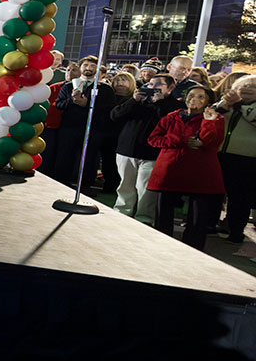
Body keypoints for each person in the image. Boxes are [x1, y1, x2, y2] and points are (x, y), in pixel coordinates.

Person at [147, 86, 226, 251]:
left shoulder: (215, 118)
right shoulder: (172, 117)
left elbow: (211, 141)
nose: (194, 98)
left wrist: (209, 122)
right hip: (170, 169)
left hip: (200, 171)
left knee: (198, 216)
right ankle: (161, 244)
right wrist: (180, 140)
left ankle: (193, 249)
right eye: (191, 95)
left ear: (208, 102)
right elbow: (153, 139)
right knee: (163, 212)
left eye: (200, 96)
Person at [111, 74, 181, 223]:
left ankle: (144, 219)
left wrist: (160, 103)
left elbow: (170, 122)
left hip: (152, 154)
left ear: (170, 88)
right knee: (125, 185)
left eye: (158, 85)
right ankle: (122, 213)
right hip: (126, 150)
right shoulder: (137, 100)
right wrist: (134, 100)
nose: (152, 88)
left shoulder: (175, 106)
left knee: (146, 189)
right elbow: (115, 115)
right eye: (150, 84)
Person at [53, 55, 115, 188]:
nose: (89, 68)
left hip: (93, 130)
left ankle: (85, 187)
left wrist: (87, 104)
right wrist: (72, 100)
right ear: (80, 67)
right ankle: (60, 184)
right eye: (86, 65)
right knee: (65, 157)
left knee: (89, 159)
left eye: (93, 66)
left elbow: (109, 109)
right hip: (69, 128)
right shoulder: (69, 86)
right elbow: (59, 105)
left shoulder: (105, 89)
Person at [214, 74, 256, 242]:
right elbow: (210, 115)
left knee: (240, 197)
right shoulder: (228, 105)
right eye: (241, 87)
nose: (245, 90)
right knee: (216, 193)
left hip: (247, 159)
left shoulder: (246, 106)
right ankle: (213, 223)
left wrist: (239, 104)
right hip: (220, 154)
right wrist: (225, 104)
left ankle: (236, 230)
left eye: (251, 87)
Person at [38, 62, 81, 178]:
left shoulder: (84, 89)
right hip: (51, 127)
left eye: (74, 70)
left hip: (69, 128)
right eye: (68, 70)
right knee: (47, 154)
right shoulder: (54, 87)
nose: (70, 73)